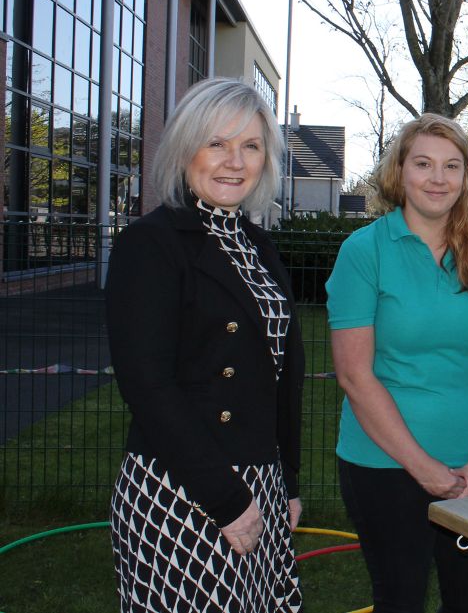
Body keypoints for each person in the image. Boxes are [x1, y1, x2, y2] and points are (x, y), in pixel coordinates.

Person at [105, 78, 304, 613]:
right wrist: (225, 498)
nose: (233, 161)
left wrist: (287, 482)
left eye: (251, 146)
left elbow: (282, 378)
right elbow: (147, 385)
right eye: (216, 143)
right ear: (185, 149)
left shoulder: (259, 246)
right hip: (181, 487)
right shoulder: (149, 246)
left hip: (259, 482)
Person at [325, 114, 468, 613]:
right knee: (401, 599)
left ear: (466, 177)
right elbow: (354, 375)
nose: (438, 178)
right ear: (400, 172)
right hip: (383, 466)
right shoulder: (363, 251)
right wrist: (423, 467)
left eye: (452, 166)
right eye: (424, 164)